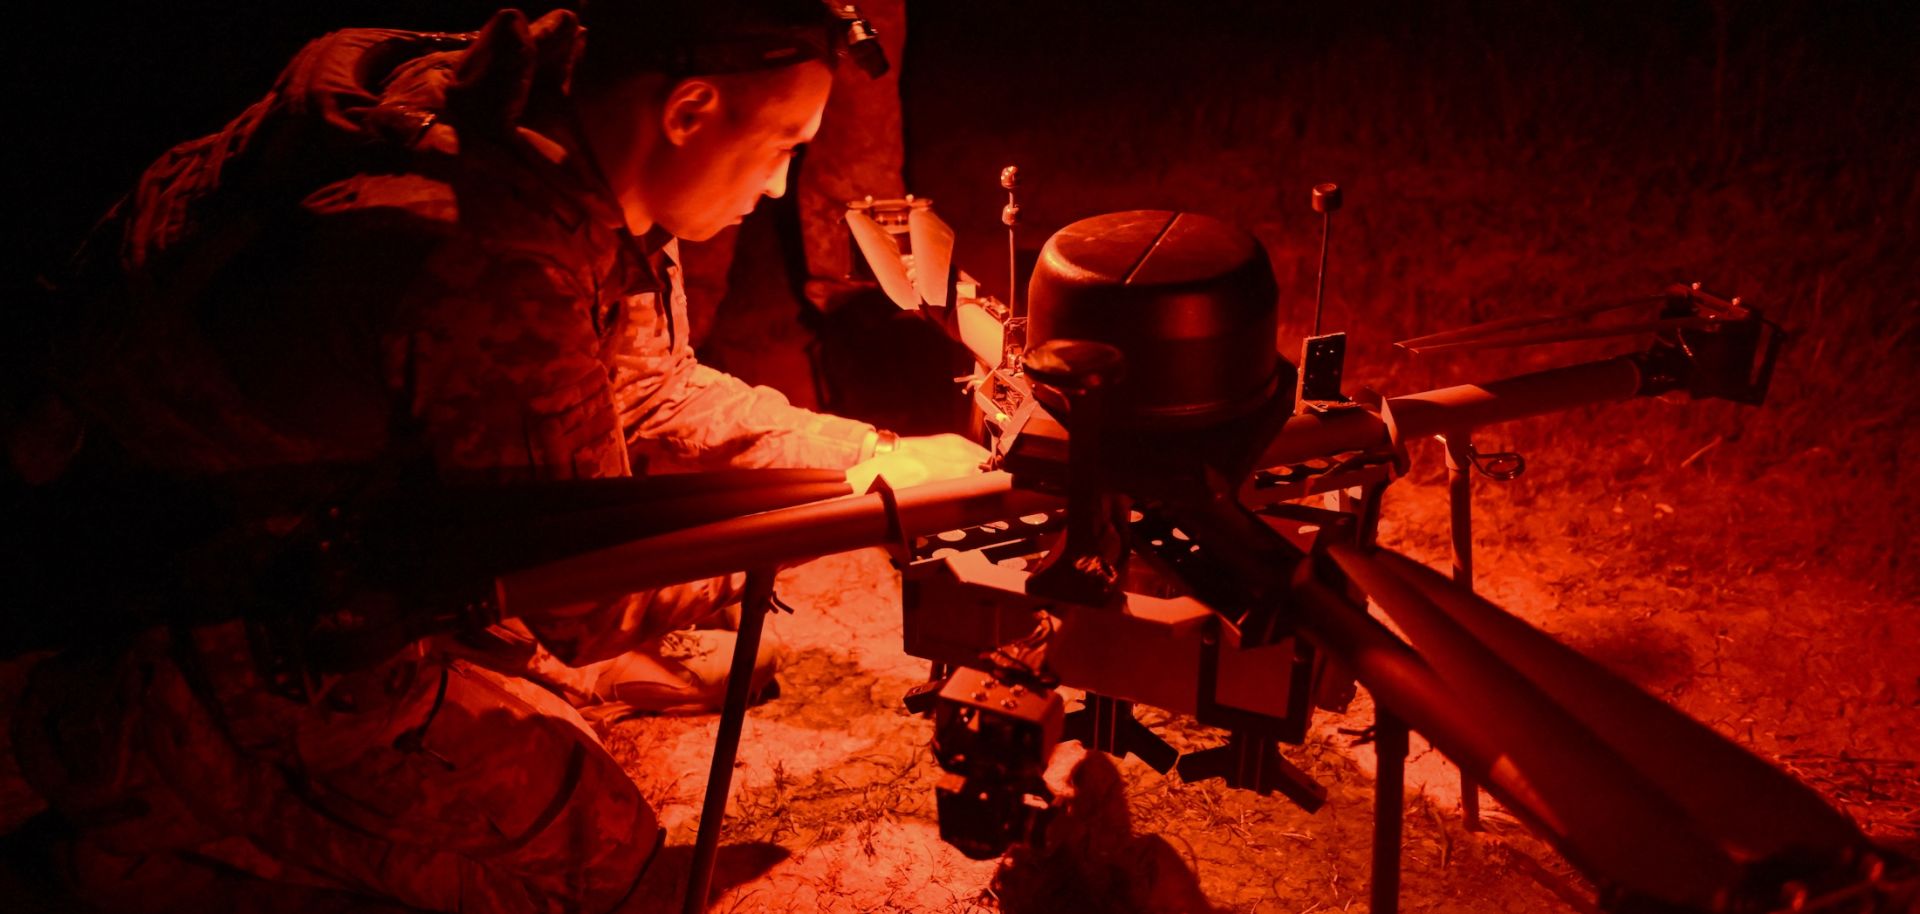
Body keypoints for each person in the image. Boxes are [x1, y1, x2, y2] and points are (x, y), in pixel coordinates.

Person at [8, 2, 984, 911]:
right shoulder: (486, 254)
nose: (778, 184)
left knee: (576, 692)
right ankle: (142, 809)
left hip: (333, 525)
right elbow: (579, 599)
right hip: (228, 607)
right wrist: (849, 515)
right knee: (605, 851)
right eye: (781, 146)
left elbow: (646, 388)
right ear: (690, 108)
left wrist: (869, 451)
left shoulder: (548, 137)